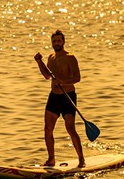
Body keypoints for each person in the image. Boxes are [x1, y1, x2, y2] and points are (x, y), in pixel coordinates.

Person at [33, 29, 85, 167]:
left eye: (59, 41)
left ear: (63, 42)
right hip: (54, 97)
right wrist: (39, 62)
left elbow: (77, 78)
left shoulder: (70, 57)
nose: (56, 43)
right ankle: (51, 159)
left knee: (70, 129)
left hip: (68, 97)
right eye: (54, 41)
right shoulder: (51, 57)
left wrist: (61, 82)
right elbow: (47, 76)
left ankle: (81, 159)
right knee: (48, 129)